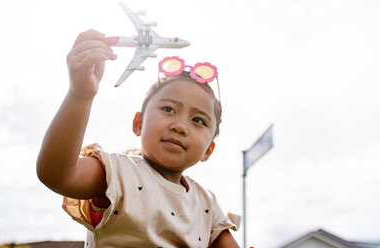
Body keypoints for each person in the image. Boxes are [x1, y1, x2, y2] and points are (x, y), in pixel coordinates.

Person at [36, 29, 240, 247]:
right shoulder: (119, 174)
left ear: (209, 150)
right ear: (138, 123)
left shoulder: (208, 206)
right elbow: (59, 174)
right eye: (169, 109)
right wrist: (80, 94)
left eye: (199, 120)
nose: (180, 126)